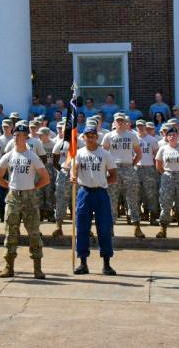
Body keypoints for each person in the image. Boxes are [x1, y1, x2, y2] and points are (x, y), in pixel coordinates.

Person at [0, 121, 50, 279]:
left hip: (29, 198)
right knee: (10, 232)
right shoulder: (9, 155)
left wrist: (33, 187)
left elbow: (45, 178)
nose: (17, 138)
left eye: (20, 135)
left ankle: (37, 268)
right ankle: (8, 266)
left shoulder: (32, 156)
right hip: (13, 197)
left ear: (27, 137)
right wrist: (10, 186)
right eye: (15, 135)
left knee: (33, 233)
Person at [72, 125, 118, 275]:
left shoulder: (105, 154)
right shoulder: (78, 153)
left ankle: (106, 263)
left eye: (92, 135)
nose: (90, 138)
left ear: (97, 137)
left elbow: (113, 175)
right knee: (82, 228)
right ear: (83, 138)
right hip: (84, 192)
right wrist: (73, 176)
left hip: (100, 194)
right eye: (87, 136)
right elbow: (74, 169)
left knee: (104, 228)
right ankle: (82, 262)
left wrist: (101, 182)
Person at [102, 113, 142, 236]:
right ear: (114, 122)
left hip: (128, 167)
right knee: (112, 199)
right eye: (117, 121)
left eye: (122, 120)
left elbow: (138, 153)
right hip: (114, 168)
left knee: (132, 198)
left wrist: (132, 164)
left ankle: (137, 227)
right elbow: (103, 154)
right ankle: (111, 227)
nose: (119, 122)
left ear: (125, 122)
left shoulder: (132, 135)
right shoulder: (108, 136)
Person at [154, 124, 179, 241]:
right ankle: (163, 229)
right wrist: (166, 173)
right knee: (165, 202)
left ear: (177, 136)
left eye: (174, 135)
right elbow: (158, 164)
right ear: (167, 137)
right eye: (169, 135)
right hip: (167, 176)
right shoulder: (163, 149)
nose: (172, 137)